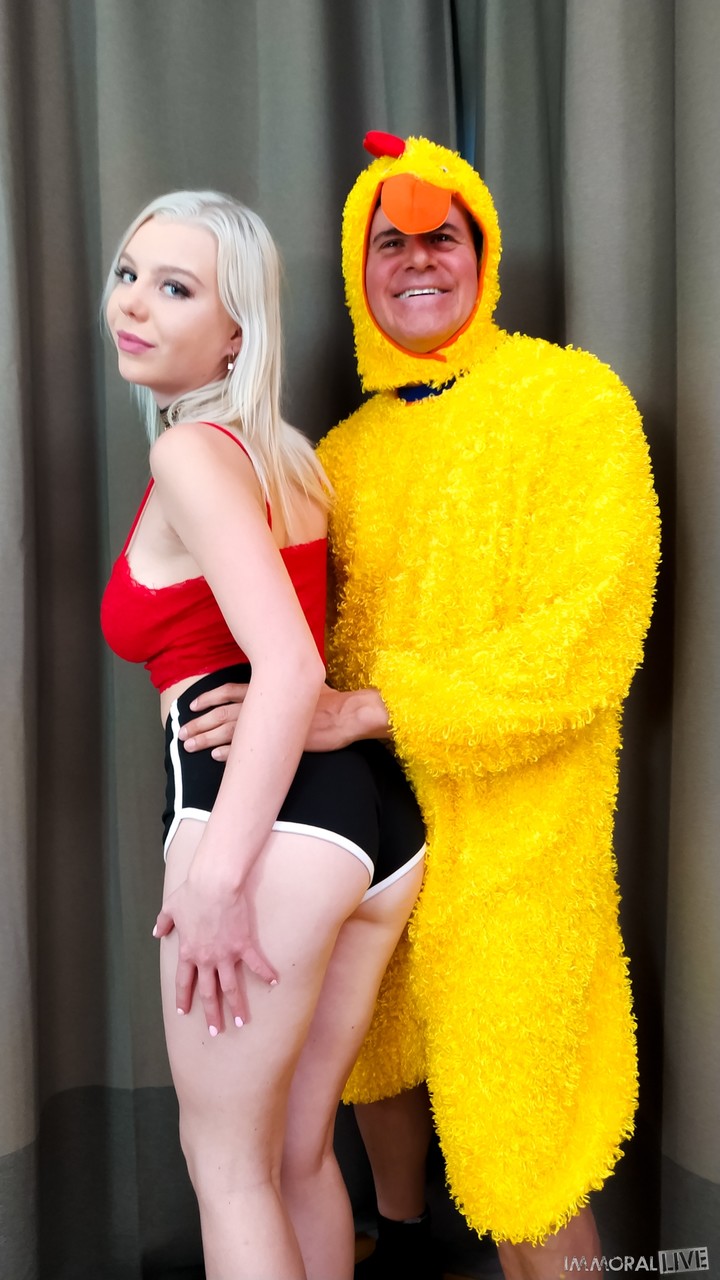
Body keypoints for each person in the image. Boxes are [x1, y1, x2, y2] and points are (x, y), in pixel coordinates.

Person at [178, 135, 661, 1280]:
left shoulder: (571, 400)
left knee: (522, 1154)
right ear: (360, 272)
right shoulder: (340, 454)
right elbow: (296, 633)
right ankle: (400, 1245)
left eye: (440, 235)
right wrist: (264, 701)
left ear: (481, 257)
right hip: (376, 836)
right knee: (366, 1072)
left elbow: (586, 640)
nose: (416, 260)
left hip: (517, 844)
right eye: (388, 241)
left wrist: (370, 707)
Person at [99, 189, 426, 1280]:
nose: (133, 304)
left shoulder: (192, 456)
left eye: (175, 288)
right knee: (294, 1153)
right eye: (129, 274)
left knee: (229, 1168)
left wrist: (217, 877)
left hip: (264, 822)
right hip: (369, 820)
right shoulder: (282, 453)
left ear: (237, 332)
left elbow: (288, 667)